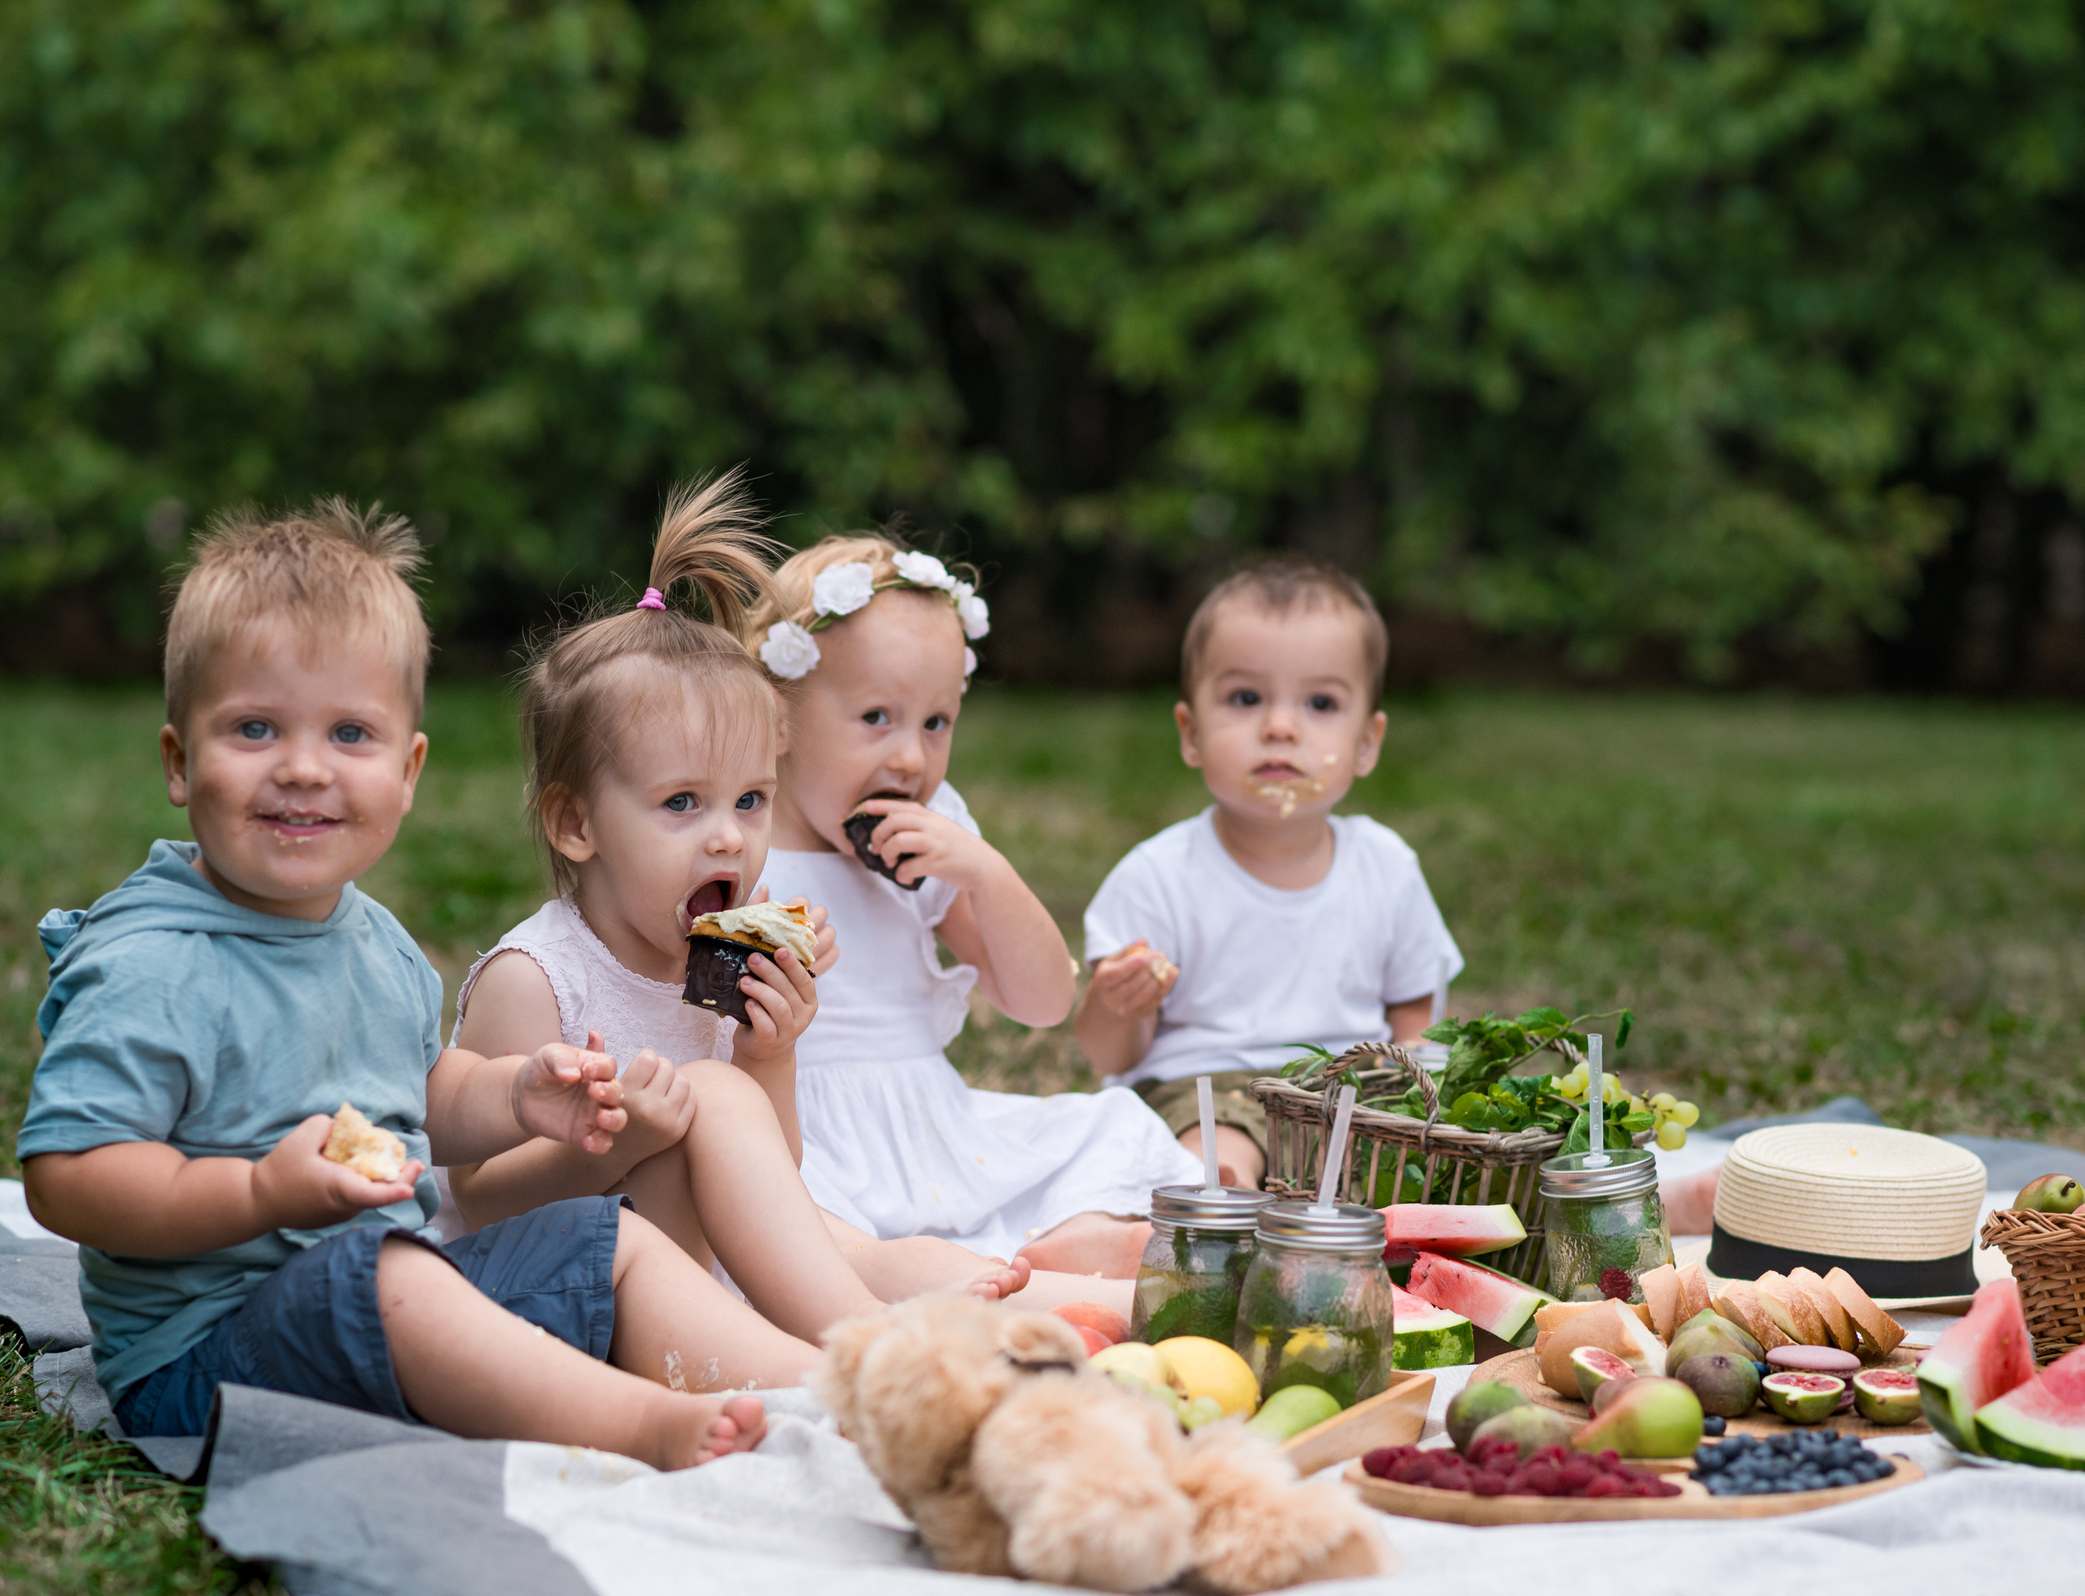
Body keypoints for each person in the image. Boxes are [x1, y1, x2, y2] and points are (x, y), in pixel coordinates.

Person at [18, 499, 815, 1472]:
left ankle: (822, 1384)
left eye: (351, 733)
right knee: (385, 1272)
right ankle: (638, 1424)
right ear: (181, 762)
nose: (304, 768)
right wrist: (259, 1190)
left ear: (409, 768)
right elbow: (68, 1177)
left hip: (401, 1288)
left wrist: (515, 1096)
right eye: (256, 728)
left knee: (606, 1238)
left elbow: (421, 1098)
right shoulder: (152, 960)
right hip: (204, 1358)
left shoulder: (377, 943)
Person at [446, 474, 1036, 1336]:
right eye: (683, 803)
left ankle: (972, 1316)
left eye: (751, 801)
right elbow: (481, 1200)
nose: (729, 839)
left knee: (860, 1233)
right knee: (718, 1104)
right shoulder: (535, 978)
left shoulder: (718, 958)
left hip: (704, 1264)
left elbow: (774, 1176)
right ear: (576, 823)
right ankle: (864, 1347)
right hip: (574, 1289)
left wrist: (770, 1050)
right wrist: (620, 1137)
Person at [738, 533, 1201, 1282]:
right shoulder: (738, 838)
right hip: (800, 1136)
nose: (912, 759)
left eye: (936, 722)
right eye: (877, 718)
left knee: (1109, 1126)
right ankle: (919, 1270)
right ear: (779, 714)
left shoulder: (933, 836)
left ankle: (1036, 1252)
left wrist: (985, 873)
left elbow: (1045, 1002)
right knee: (788, 1224)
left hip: (931, 1126)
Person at [1076, 557, 1464, 1197]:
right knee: (1213, 1155)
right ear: (1191, 733)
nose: (1280, 727)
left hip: (1350, 1089)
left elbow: (1415, 1007)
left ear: (1368, 743)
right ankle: (1233, 1207)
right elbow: (1108, 1055)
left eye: (1320, 702)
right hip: (1205, 1091)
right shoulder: (1159, 875)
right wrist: (1117, 1005)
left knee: (1428, 1166)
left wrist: (1421, 1096)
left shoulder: (1386, 867)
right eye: (1245, 698)